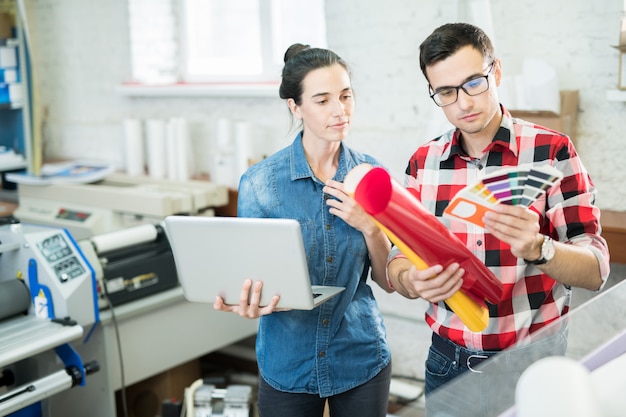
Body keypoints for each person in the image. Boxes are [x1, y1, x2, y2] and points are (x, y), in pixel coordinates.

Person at [386, 23, 611, 415]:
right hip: (448, 364)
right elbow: (396, 257)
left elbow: (596, 270)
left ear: (498, 73)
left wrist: (539, 248)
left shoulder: (552, 150)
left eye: (474, 82)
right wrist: (410, 278)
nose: (462, 103)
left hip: (532, 363)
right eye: (445, 92)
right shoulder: (423, 163)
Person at [214, 44, 393, 417]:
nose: (339, 110)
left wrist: (371, 228)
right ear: (295, 107)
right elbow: (253, 277)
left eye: (345, 96)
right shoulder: (261, 183)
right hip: (287, 364)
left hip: (360, 356)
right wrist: (248, 301)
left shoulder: (371, 175)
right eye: (323, 100)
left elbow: (386, 279)